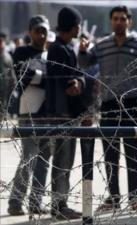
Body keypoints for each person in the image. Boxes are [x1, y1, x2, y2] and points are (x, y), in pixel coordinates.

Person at [78, 5, 137, 212]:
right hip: (108, 104)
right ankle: (114, 197)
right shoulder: (102, 45)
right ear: (110, 21)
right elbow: (85, 63)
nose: (119, 22)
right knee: (110, 154)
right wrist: (82, 49)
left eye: (123, 18)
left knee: (133, 154)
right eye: (115, 18)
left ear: (129, 21)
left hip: (132, 104)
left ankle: (136, 198)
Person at [7, 15, 51, 216]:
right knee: (29, 158)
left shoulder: (50, 54)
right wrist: (46, 77)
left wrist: (42, 76)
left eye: (44, 31)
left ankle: (36, 201)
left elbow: (40, 76)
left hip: (49, 113)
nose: (41, 35)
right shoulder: (22, 52)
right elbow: (26, 76)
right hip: (29, 111)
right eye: (37, 30)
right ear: (30, 32)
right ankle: (15, 202)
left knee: (44, 159)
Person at [44, 6, 84, 220]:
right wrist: (75, 82)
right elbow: (66, 81)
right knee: (62, 160)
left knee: (65, 160)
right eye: (78, 25)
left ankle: (61, 202)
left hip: (67, 113)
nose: (80, 29)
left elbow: (76, 77)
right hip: (61, 113)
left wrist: (78, 80)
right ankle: (59, 204)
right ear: (74, 26)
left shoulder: (66, 48)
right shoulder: (58, 49)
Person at [0, 31, 16, 121]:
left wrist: (14, 83)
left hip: (5, 87)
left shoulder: (7, 57)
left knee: (4, 105)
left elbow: (11, 71)